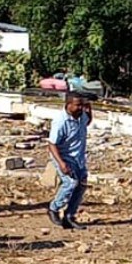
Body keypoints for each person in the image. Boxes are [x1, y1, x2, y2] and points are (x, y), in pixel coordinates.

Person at [47, 92, 93, 230]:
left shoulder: (81, 116)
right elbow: (51, 144)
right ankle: (53, 208)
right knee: (70, 183)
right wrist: (61, 164)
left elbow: (88, 121)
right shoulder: (60, 121)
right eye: (78, 105)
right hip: (63, 156)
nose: (80, 108)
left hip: (78, 157)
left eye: (82, 105)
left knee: (82, 184)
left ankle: (69, 216)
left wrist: (89, 109)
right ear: (68, 105)